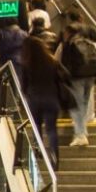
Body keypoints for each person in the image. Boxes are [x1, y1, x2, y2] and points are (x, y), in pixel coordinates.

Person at [55, 23, 96, 146]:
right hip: (90, 78)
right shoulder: (90, 43)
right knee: (84, 105)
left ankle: (80, 135)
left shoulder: (65, 45)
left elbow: (56, 62)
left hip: (75, 79)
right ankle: (83, 132)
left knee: (76, 107)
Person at [21, 37, 72, 168]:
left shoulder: (26, 63)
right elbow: (66, 75)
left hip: (34, 100)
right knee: (51, 130)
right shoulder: (52, 61)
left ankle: (38, 153)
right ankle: (54, 159)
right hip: (51, 99)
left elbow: (23, 86)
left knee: (36, 127)